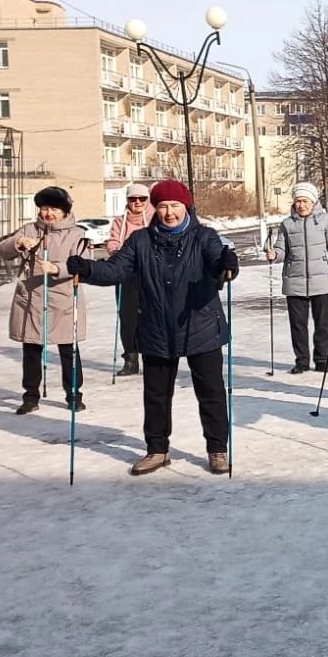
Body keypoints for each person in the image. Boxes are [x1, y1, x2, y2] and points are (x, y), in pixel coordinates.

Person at [67, 179, 239, 475]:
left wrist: (227, 264)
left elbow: (218, 262)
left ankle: (217, 449)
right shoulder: (141, 241)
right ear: (153, 208)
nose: (169, 213)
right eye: (162, 206)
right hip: (157, 327)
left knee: (210, 391)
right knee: (156, 394)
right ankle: (157, 450)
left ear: (186, 207)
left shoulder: (204, 236)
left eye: (175, 206)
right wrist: (88, 268)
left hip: (200, 324)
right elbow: (116, 269)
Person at [0, 186, 90, 414]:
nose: (48, 214)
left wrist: (58, 268)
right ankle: (30, 396)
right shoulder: (29, 229)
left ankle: (74, 394)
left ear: (65, 211)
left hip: (65, 300)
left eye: (54, 209)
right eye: (44, 208)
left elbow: (86, 263)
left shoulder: (76, 234)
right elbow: (2, 249)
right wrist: (19, 243)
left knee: (68, 350)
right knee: (31, 350)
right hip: (31, 301)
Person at [268, 182, 328, 374]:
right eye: (298, 201)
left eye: (305, 201)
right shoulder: (287, 224)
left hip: (322, 281)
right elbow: (281, 249)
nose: (301, 205)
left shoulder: (327, 221)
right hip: (295, 280)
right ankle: (301, 361)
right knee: (297, 324)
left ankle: (321, 360)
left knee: (322, 324)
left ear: (313, 201)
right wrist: (274, 255)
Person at [106, 181, 153, 376]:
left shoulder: (155, 217)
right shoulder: (120, 220)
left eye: (142, 199)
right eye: (133, 199)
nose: (138, 202)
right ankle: (131, 359)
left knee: (152, 316)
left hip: (151, 273)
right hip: (127, 273)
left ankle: (153, 357)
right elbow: (113, 240)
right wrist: (115, 251)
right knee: (128, 317)